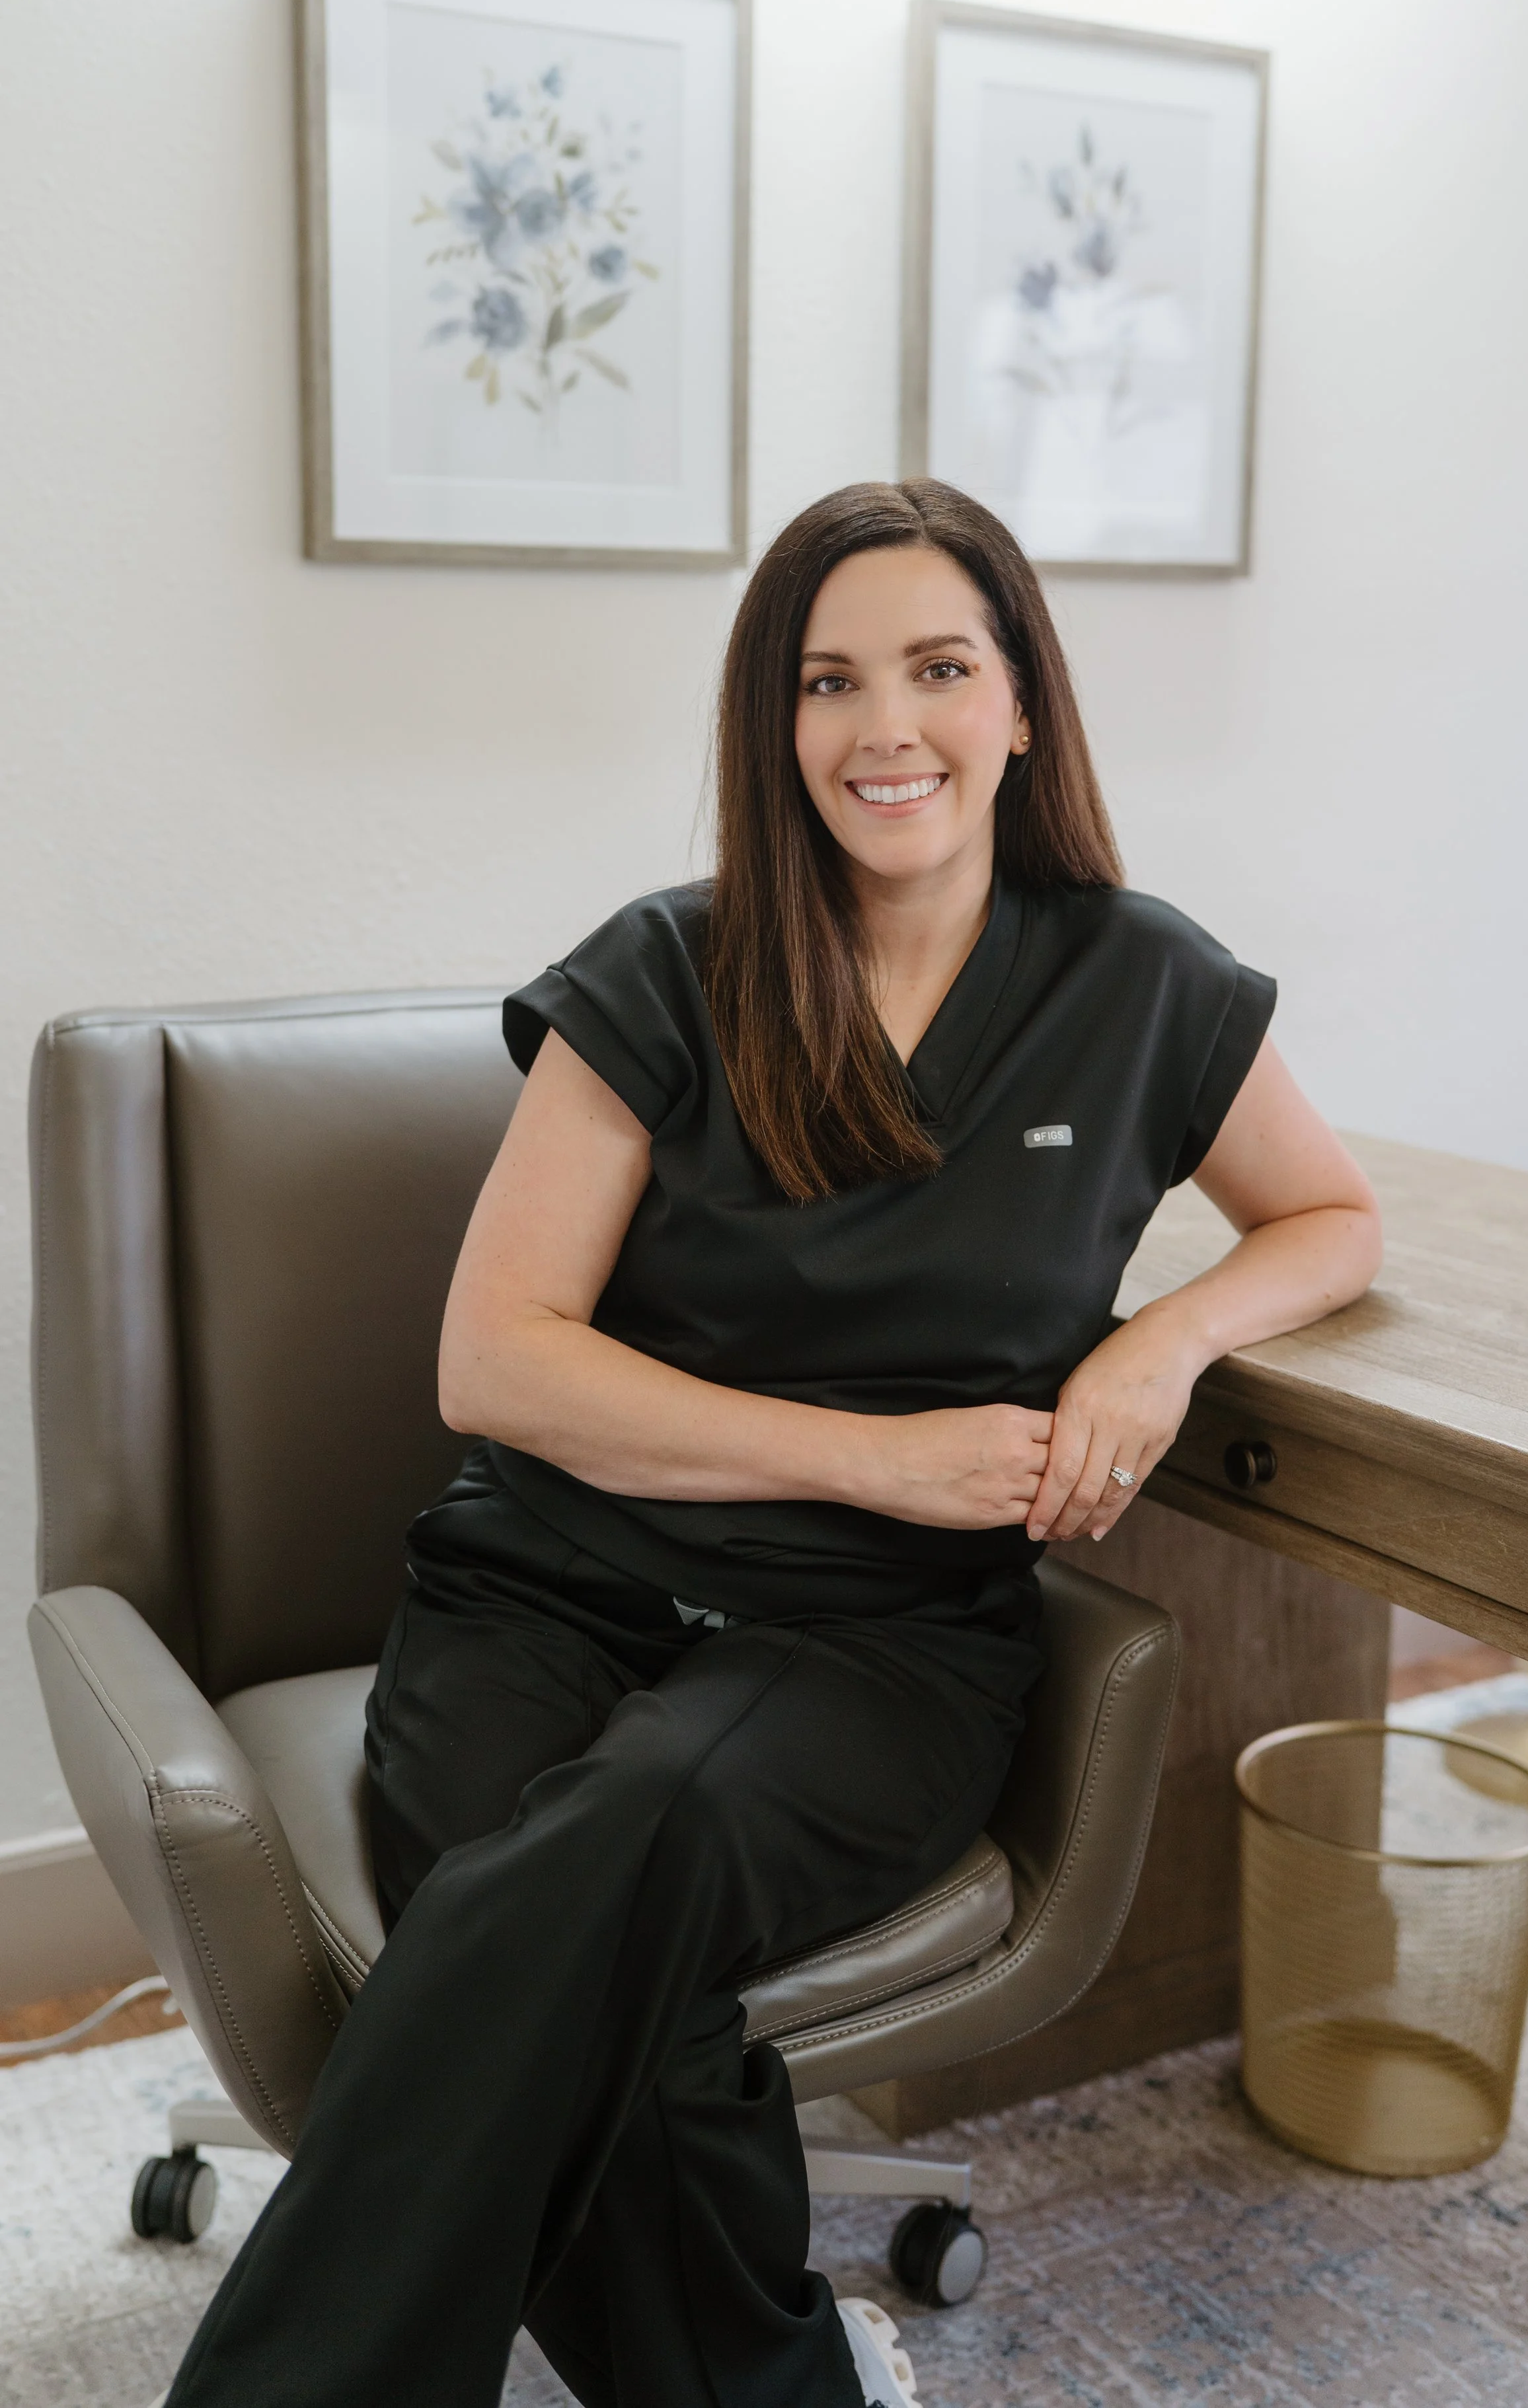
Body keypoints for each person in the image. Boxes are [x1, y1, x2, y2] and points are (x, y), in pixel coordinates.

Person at [155, 479, 1381, 2408]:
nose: (883, 724)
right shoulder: (663, 968)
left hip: (872, 1648)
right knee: (595, 1976)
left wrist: (1161, 1341)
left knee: (584, 1872)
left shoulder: (1141, 981)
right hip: (540, 1589)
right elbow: (496, 1363)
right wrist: (876, 1454)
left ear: (1019, 707)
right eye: (828, 680)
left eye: (936, 667)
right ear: (774, 724)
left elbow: (1331, 1219)